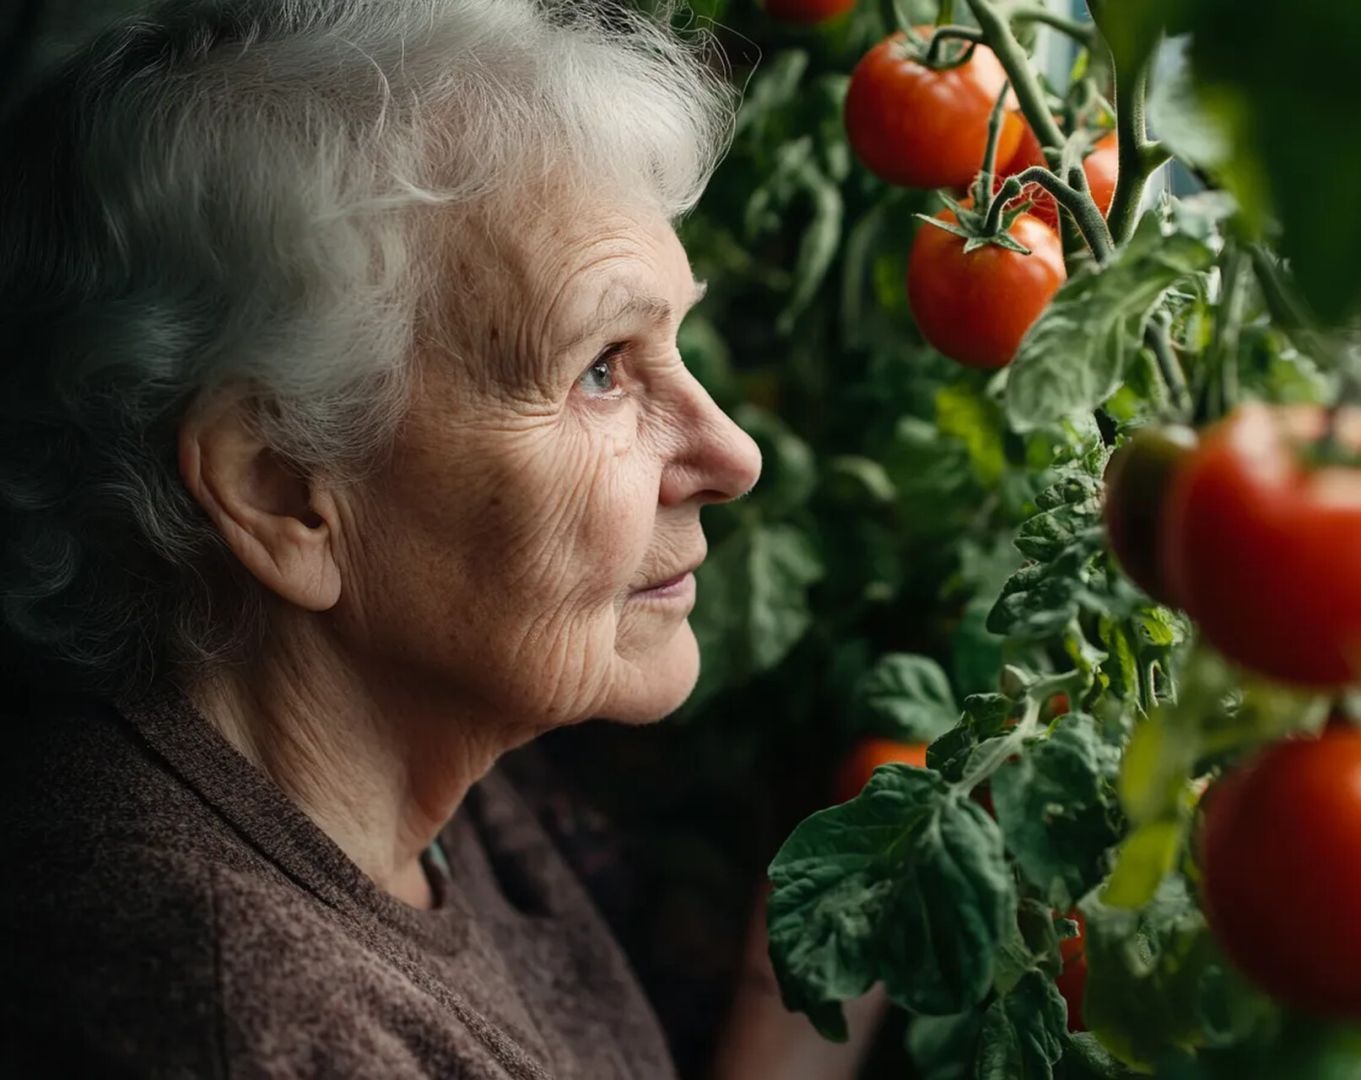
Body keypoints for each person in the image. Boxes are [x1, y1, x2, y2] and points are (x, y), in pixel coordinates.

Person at [0, 1, 853, 1074]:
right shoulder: (245, 1021)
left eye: (670, 341)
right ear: (282, 489)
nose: (734, 456)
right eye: (600, 368)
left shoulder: (406, 765)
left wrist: (793, 1008)